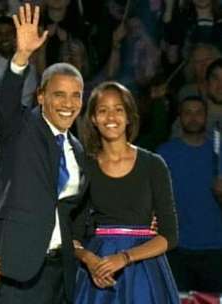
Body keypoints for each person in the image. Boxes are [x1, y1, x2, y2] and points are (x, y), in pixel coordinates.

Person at [0, 3, 87, 304]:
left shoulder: (78, 149)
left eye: (76, 95)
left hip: (62, 273)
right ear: (41, 96)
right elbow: (4, 105)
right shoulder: (22, 128)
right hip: (20, 271)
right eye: (58, 94)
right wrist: (21, 58)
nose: (67, 103)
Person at [73, 81, 179, 303]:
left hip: (144, 270)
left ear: (129, 116)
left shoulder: (153, 165)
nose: (111, 117)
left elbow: (169, 236)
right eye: (103, 110)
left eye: (118, 109)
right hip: (99, 271)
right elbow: (72, 235)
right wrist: (90, 260)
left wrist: (125, 257)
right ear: (93, 118)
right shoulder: (85, 167)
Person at [157, 96, 222, 292]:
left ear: (206, 116)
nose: (193, 118)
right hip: (177, 248)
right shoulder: (165, 153)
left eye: (198, 113)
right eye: (188, 113)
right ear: (179, 117)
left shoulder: (218, 152)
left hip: (215, 248)